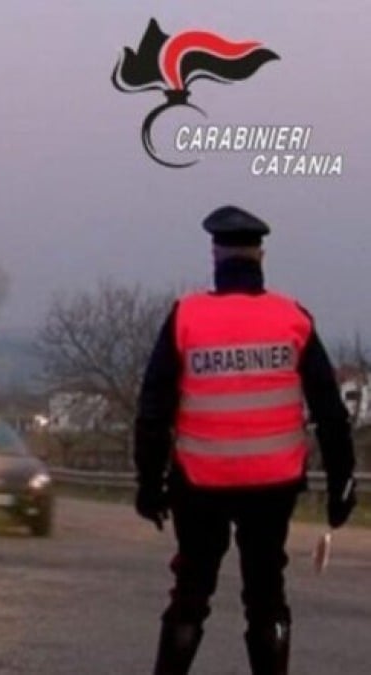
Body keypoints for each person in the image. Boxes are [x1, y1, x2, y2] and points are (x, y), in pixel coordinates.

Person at [134, 205, 357, 675]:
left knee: (191, 593)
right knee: (266, 594)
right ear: (261, 256)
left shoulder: (186, 317)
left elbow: (153, 409)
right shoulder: (292, 318)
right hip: (272, 485)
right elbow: (330, 412)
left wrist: (149, 485)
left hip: (200, 483)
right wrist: (342, 486)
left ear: (215, 255)